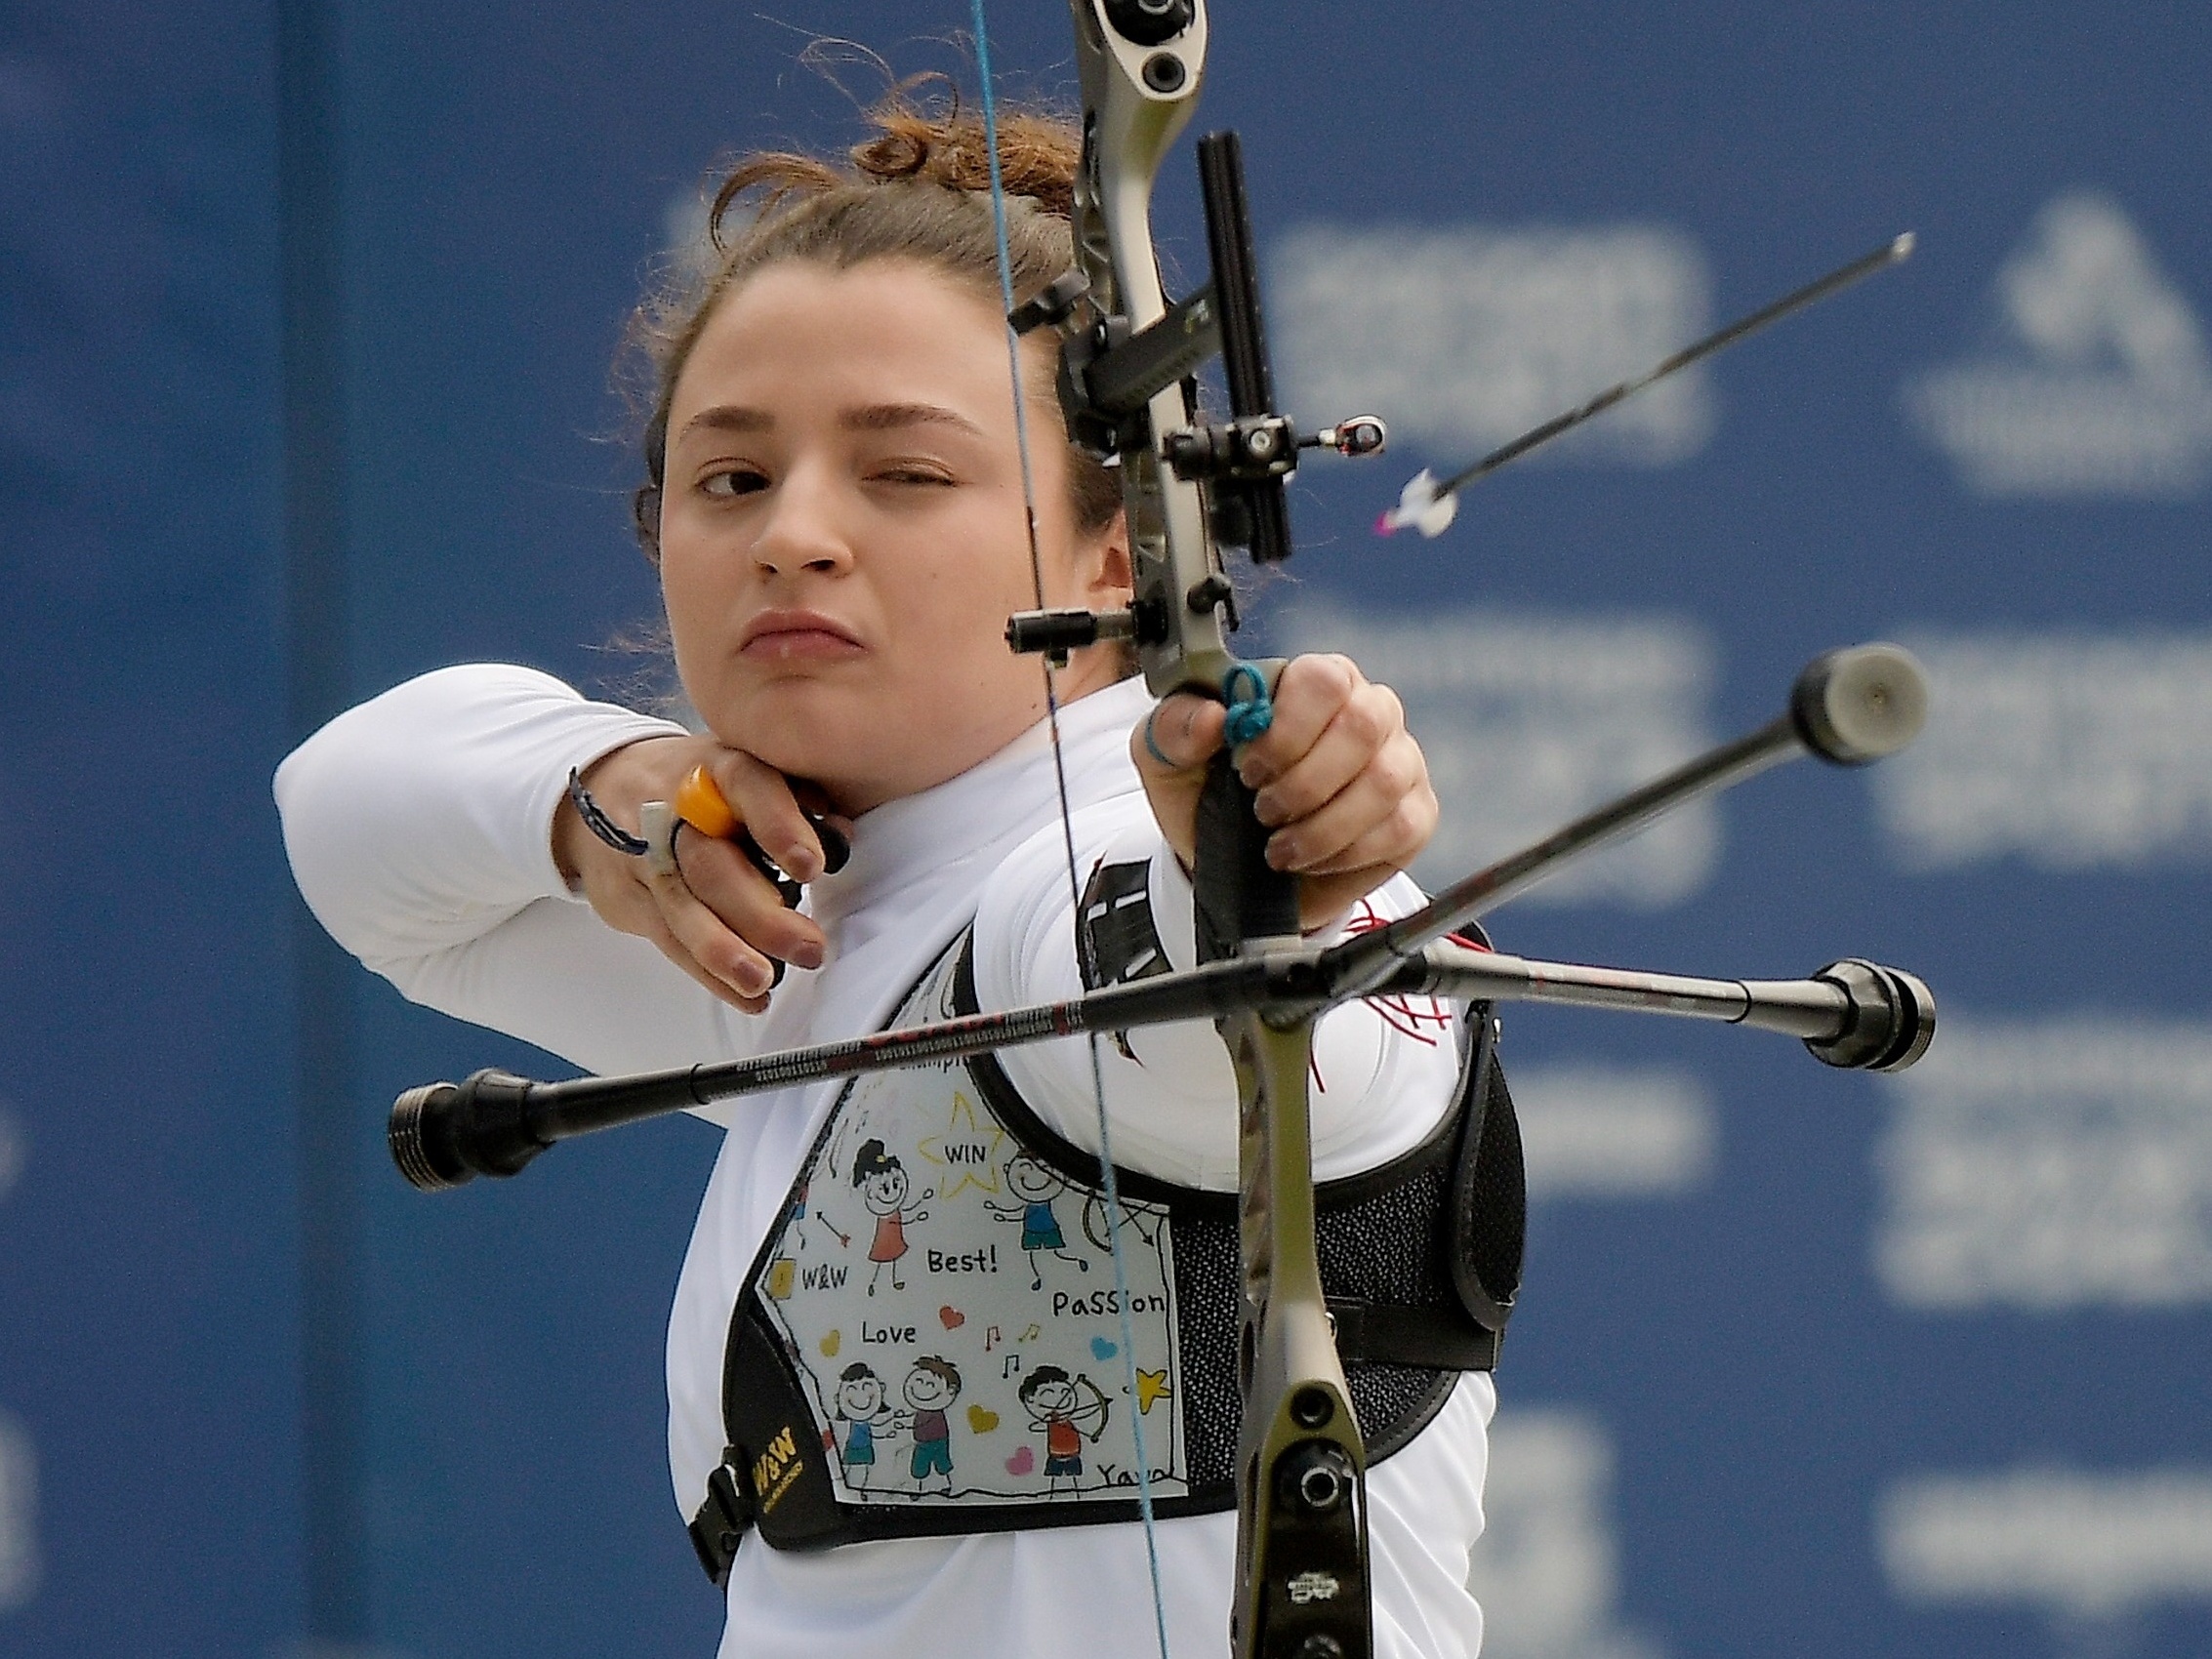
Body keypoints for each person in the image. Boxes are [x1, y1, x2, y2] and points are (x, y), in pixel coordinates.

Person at [277, 86, 1495, 1659]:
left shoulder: (1113, 878)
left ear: (1119, 554)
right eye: (729, 482)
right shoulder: (789, 923)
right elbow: (345, 822)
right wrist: (604, 794)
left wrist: (1266, 856)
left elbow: (1149, 992)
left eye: (904, 475)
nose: (792, 536)